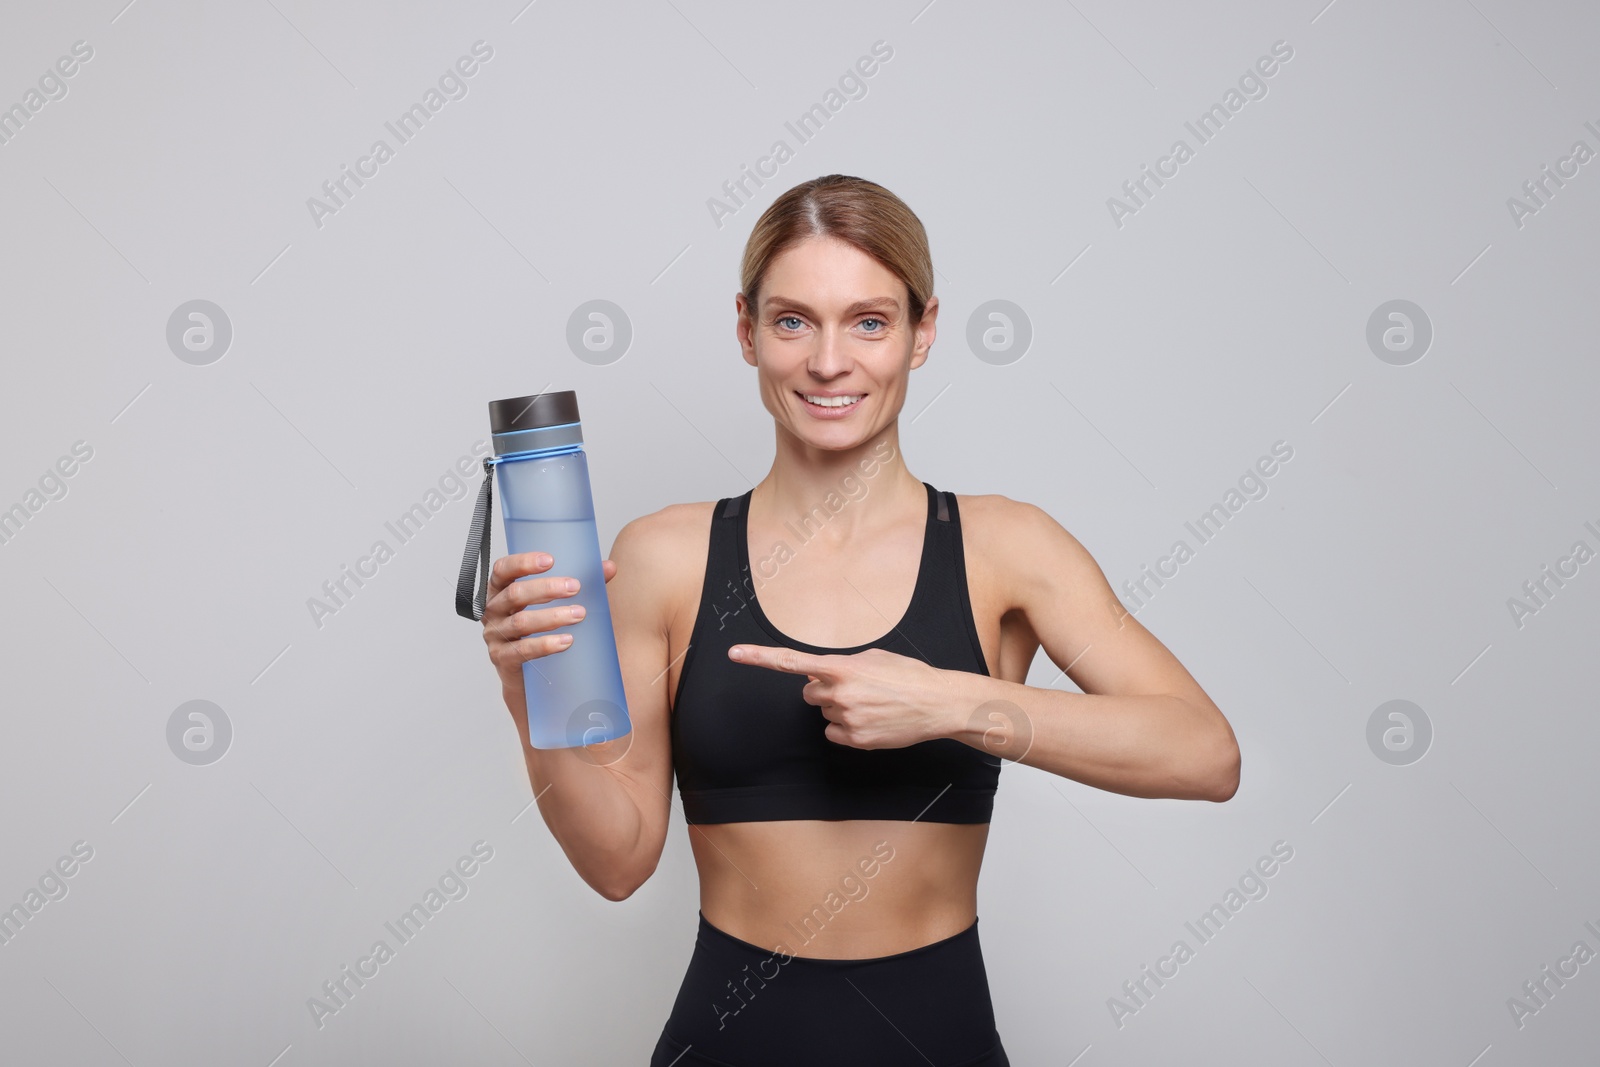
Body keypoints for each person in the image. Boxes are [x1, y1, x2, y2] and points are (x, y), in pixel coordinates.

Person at [479, 174, 1240, 1066]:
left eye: (870, 322)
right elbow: (617, 862)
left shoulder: (1007, 546)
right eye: (793, 320)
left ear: (922, 334)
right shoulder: (665, 559)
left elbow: (1205, 753)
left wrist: (953, 703)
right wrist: (527, 693)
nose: (829, 361)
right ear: (746, 331)